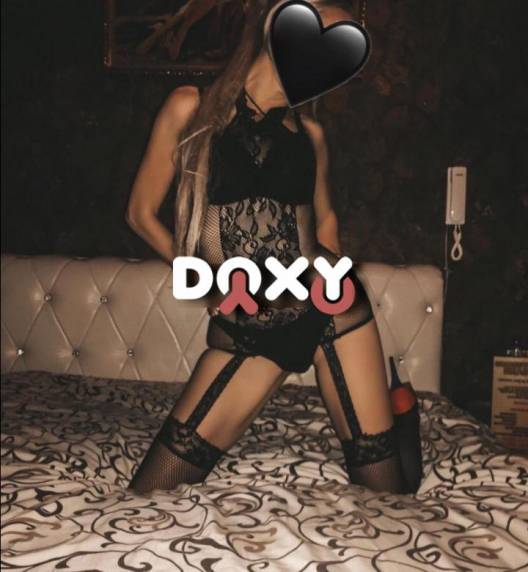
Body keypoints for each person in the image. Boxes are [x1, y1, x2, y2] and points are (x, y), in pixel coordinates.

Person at [125, 0, 423, 495]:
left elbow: (325, 221)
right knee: (154, 487)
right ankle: (403, 414)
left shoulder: (311, 135)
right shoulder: (191, 107)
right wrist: (209, 287)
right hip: (250, 322)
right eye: (319, 40)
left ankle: (402, 423)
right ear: (276, 27)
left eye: (338, 56)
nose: (324, 63)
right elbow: (140, 213)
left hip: (328, 304)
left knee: (383, 482)